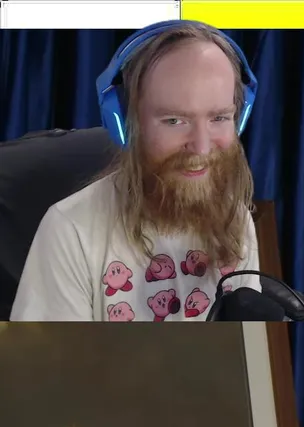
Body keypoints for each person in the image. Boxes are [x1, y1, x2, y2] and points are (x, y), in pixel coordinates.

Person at [10, 20, 261, 321]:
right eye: (174, 121)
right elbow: (49, 353)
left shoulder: (236, 220)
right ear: (127, 124)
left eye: (219, 118)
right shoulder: (70, 230)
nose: (202, 147)